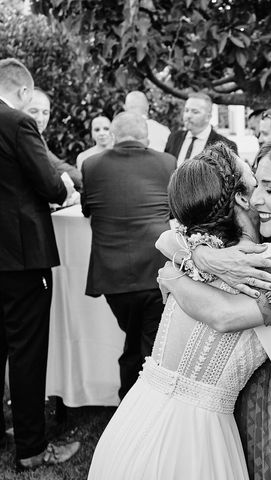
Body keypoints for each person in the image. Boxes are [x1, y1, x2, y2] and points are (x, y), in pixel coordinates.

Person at [88, 141, 271, 479]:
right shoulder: (266, 267)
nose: (259, 196)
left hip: (135, 419)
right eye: (256, 183)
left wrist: (180, 269)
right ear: (241, 198)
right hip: (198, 436)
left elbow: (168, 240)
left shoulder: (195, 250)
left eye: (269, 187)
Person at [0, 57, 79, 471]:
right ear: (25, 92)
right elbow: (49, 182)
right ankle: (31, 447)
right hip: (21, 256)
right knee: (27, 351)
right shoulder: (16, 122)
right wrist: (63, 186)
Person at [81, 112, 176, 399]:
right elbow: (172, 209)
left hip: (113, 275)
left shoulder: (91, 164)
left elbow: (88, 209)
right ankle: (145, 407)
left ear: (114, 135)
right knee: (149, 342)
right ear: (145, 136)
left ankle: (130, 401)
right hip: (155, 270)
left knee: (134, 339)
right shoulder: (167, 162)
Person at [22, 88, 83, 191]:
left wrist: (89, 180)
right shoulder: (20, 138)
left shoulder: (38, 138)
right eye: (33, 111)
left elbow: (57, 165)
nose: (40, 119)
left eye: (45, 113)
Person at [165, 92, 237, 165]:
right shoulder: (174, 138)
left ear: (208, 117)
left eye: (195, 112)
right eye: (186, 110)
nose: (188, 115)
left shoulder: (225, 146)